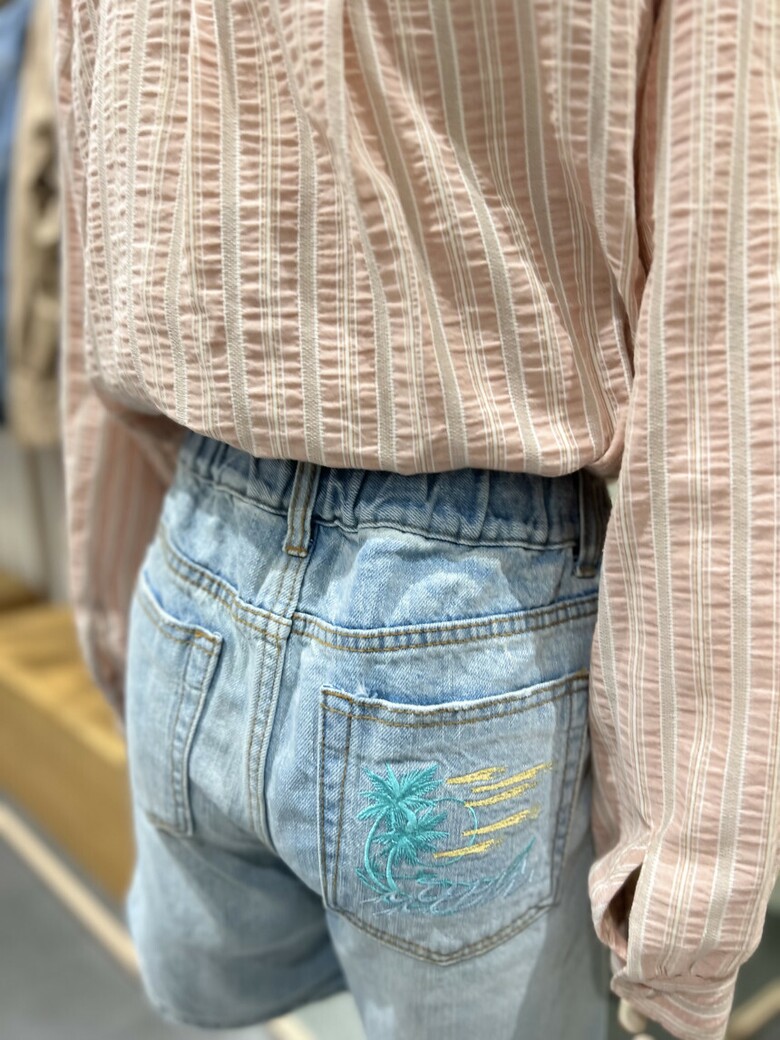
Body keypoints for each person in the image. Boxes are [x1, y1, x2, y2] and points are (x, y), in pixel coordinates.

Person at [52, 2, 779, 1039]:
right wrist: (692, 883)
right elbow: (725, 328)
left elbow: (96, 230)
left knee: (220, 1001)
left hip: (197, 556)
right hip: (470, 612)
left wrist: (114, 607)